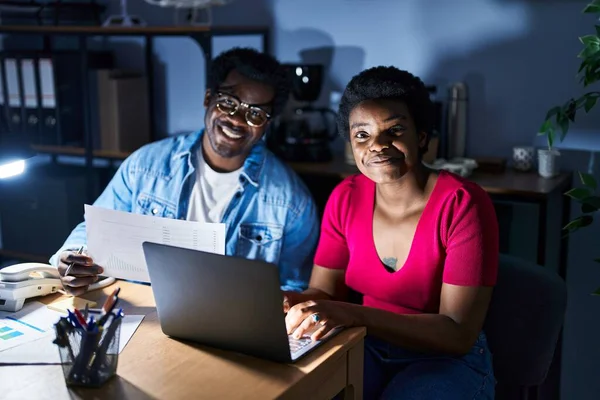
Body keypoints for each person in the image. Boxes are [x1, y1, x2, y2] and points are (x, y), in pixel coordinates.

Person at [284, 66, 499, 399]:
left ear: (422, 136)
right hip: (364, 346)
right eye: (362, 134)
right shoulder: (346, 196)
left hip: (444, 360)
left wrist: (353, 314)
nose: (377, 145)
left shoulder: (463, 203)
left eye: (394, 130)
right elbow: (325, 294)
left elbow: (457, 334)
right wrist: (292, 301)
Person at [50, 47, 319, 297]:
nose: (237, 120)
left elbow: (294, 287)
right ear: (208, 98)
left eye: (255, 114)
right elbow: (95, 232)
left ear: (267, 124)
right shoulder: (146, 165)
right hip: (144, 315)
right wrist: (72, 257)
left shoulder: (292, 202)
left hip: (230, 330)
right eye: (228, 103)